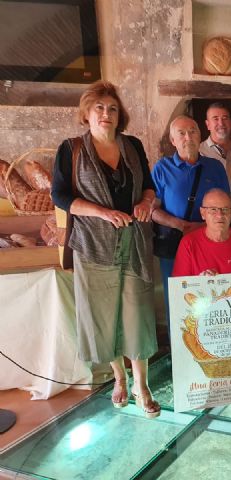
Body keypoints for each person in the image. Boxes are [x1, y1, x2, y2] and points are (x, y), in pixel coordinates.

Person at [51, 81, 160, 418]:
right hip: (93, 245)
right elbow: (60, 196)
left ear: (119, 114)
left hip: (134, 242)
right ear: (86, 113)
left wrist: (146, 202)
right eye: (99, 107)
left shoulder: (132, 145)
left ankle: (142, 385)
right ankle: (120, 379)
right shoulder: (70, 149)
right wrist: (102, 212)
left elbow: (149, 187)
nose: (106, 114)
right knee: (103, 315)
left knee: (137, 313)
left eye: (112, 108)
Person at [151, 115, 230, 326]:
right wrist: (180, 225)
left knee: (211, 296)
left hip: (210, 243)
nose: (188, 137)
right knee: (177, 300)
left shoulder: (215, 167)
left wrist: (203, 226)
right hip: (174, 245)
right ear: (172, 140)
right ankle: (178, 345)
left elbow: (226, 206)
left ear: (200, 135)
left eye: (193, 131)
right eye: (181, 133)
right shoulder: (162, 168)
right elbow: (152, 210)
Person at [172, 188, 231, 277]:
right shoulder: (188, 243)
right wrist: (199, 282)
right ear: (203, 213)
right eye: (213, 209)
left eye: (225, 209)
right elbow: (180, 284)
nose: (219, 215)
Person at [199, 102, 231, 188]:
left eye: (225, 118)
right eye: (215, 119)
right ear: (208, 124)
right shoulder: (199, 152)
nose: (221, 123)